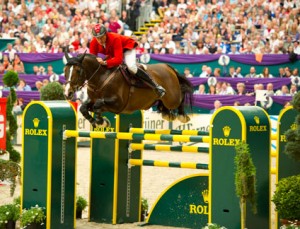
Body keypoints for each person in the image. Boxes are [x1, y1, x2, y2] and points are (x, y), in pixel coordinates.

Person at [89, 24, 165, 98]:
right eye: (97, 38)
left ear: (106, 34)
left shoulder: (114, 38)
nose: (99, 40)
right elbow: (92, 59)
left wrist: (105, 62)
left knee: (131, 67)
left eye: (101, 37)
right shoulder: (93, 42)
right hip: (113, 52)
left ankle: (155, 86)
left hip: (127, 47)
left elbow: (118, 60)